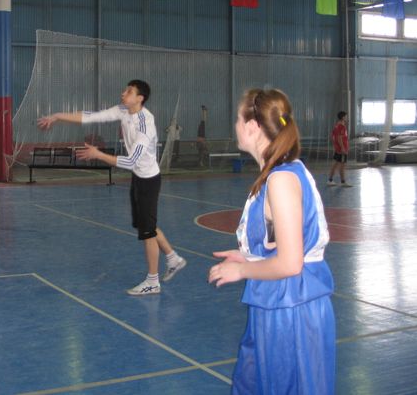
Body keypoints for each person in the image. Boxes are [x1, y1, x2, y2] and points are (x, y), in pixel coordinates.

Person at [208, 88, 335, 394]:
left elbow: (291, 263)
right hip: (276, 301)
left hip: (292, 309)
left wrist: (241, 270)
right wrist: (249, 256)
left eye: (238, 119)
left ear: (252, 126)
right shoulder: (276, 175)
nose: (235, 126)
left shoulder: (281, 180)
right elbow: (278, 242)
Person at [38, 79, 187, 295]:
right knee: (146, 225)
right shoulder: (123, 110)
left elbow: (130, 161)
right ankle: (173, 258)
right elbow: (91, 116)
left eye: (129, 91)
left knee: (147, 232)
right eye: (125, 90)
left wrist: (98, 154)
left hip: (148, 180)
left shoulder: (145, 125)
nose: (123, 93)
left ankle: (153, 282)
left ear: (140, 98)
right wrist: (58, 116)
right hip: (139, 178)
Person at [328, 111, 350, 186]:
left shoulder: (336, 126)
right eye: (346, 116)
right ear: (343, 117)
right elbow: (339, 138)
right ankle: (343, 182)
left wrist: (336, 146)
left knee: (335, 164)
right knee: (342, 166)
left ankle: (330, 180)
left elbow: (333, 137)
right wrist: (342, 148)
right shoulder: (341, 126)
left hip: (338, 148)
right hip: (341, 149)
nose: (347, 118)